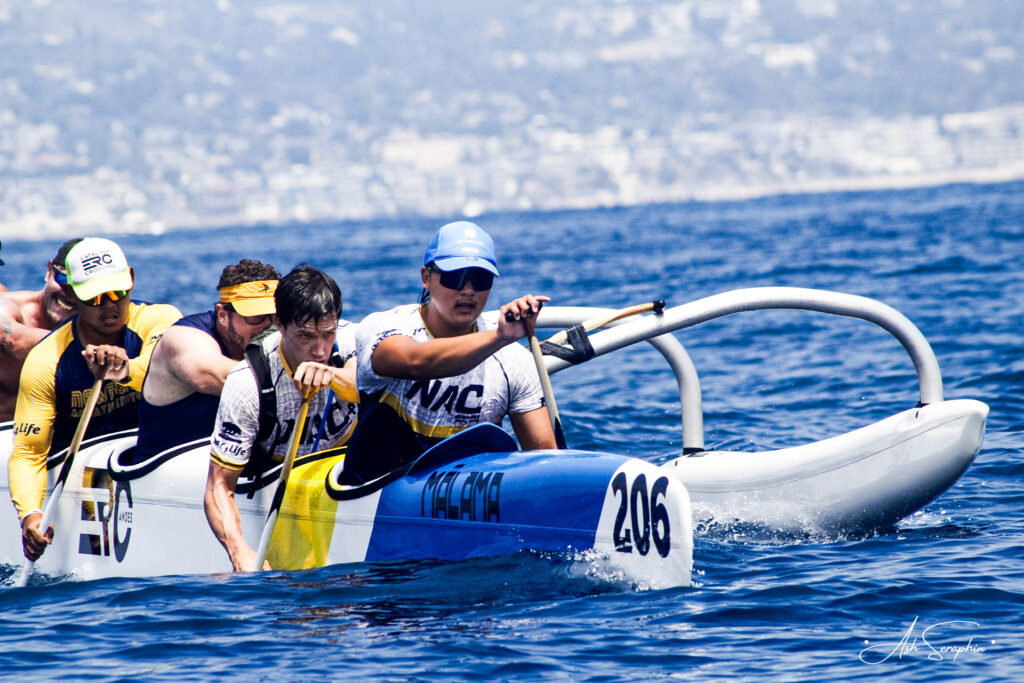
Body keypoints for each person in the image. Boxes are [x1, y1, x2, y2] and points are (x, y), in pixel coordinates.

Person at [341, 221, 556, 485]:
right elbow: (415, 362)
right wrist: (499, 337)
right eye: (455, 277)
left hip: (458, 509)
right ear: (426, 278)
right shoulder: (382, 327)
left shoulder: (514, 360)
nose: (467, 290)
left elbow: (545, 461)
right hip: (372, 500)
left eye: (479, 279)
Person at [9, 237, 182, 561]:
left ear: (131, 278)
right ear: (72, 296)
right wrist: (30, 515)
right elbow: (28, 454)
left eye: (118, 292)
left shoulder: (159, 319)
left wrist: (124, 368)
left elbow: (168, 365)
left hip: (154, 456)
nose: (110, 305)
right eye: (96, 297)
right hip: (84, 468)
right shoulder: (47, 359)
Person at [203, 264, 358, 572]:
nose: (320, 349)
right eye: (305, 336)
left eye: (328, 334)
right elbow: (218, 486)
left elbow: (369, 384)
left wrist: (334, 377)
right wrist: (240, 552)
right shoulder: (247, 382)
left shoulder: (352, 344)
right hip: (275, 480)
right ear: (280, 325)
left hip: (338, 477)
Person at [134, 259, 282, 460]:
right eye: (255, 317)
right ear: (222, 314)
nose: (267, 326)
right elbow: (231, 379)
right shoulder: (183, 339)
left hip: (230, 464)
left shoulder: (273, 334)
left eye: (274, 316)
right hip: (165, 475)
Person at [0, 238, 84, 422]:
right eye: (63, 280)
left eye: (81, 289)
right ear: (49, 271)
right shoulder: (6, 306)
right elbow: (12, 339)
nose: (70, 295)